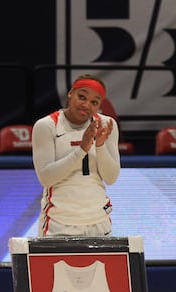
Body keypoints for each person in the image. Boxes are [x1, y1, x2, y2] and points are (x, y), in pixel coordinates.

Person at [32, 73, 121, 237]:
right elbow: (46, 178)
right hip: (59, 222)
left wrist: (100, 145)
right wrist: (82, 149)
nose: (86, 105)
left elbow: (111, 178)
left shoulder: (106, 124)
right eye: (82, 97)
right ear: (70, 93)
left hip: (98, 219)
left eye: (94, 102)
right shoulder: (46, 125)